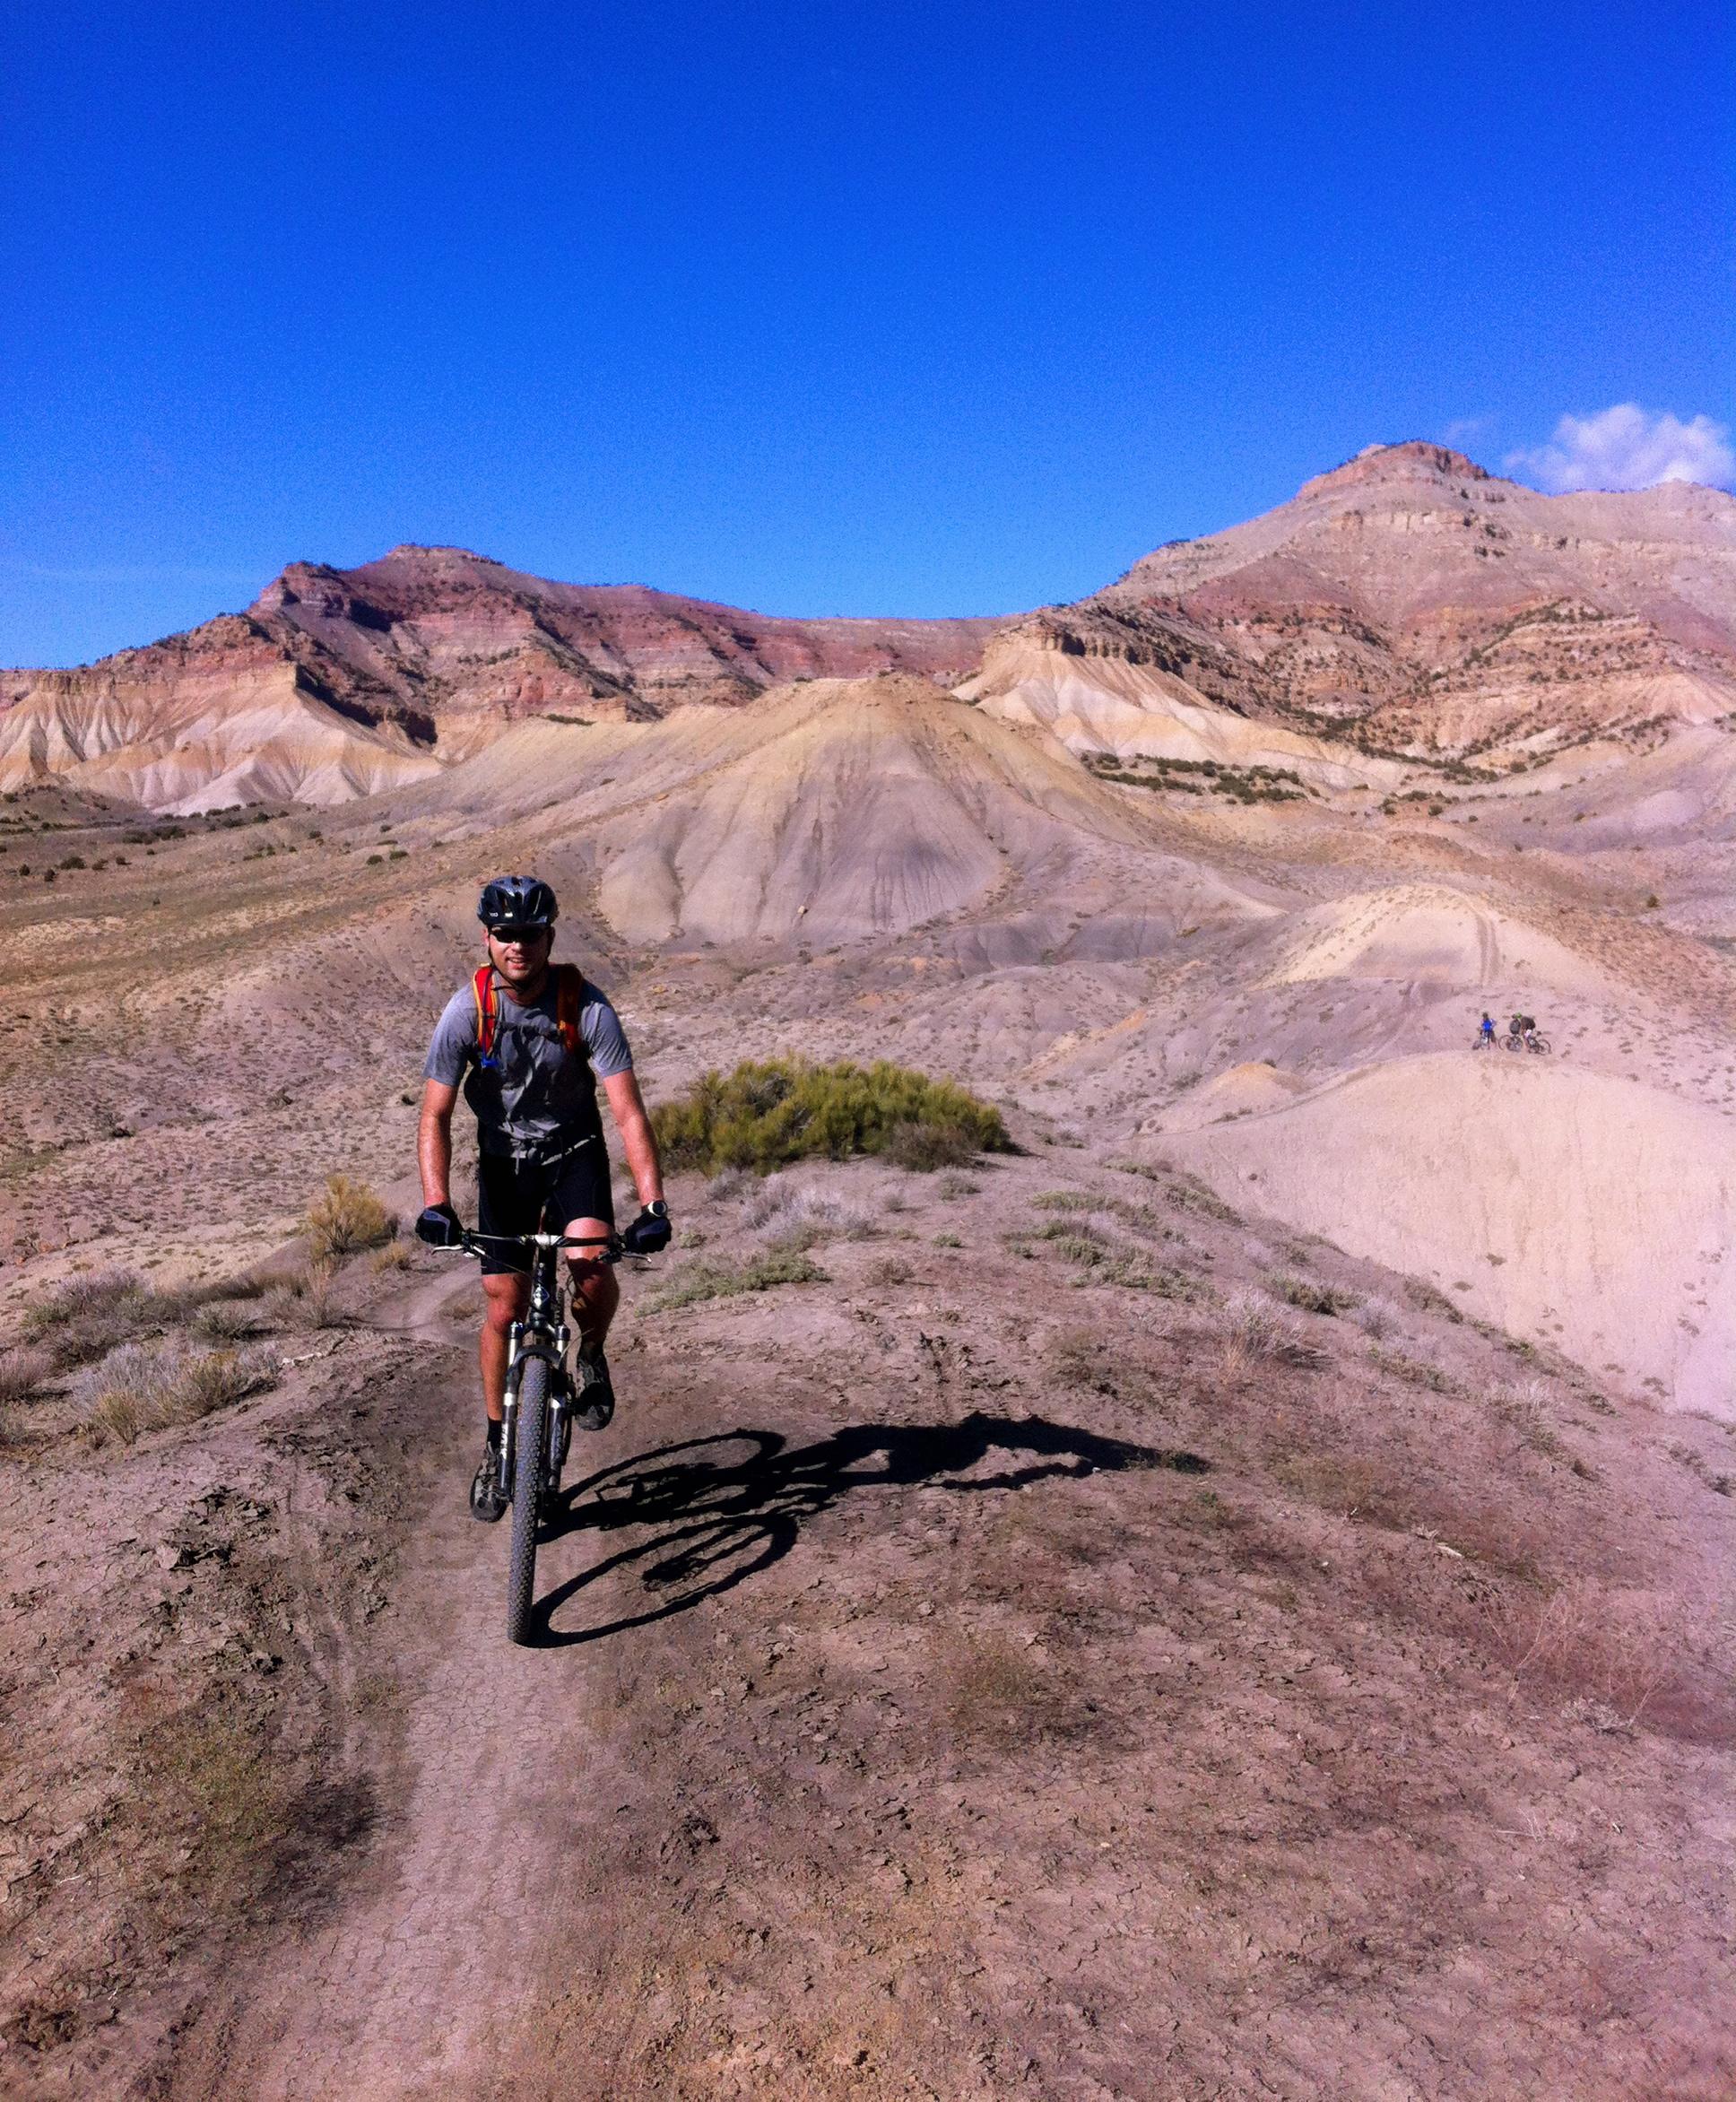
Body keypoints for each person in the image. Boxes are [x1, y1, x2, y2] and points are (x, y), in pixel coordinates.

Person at [414, 875, 672, 1521]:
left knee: (590, 1264)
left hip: (572, 1155)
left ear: (550, 936)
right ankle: (498, 1439)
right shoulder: (467, 1011)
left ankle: (591, 1350)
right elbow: (435, 1115)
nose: (517, 946)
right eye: (505, 935)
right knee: (502, 1309)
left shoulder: (585, 1007)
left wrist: (653, 1206)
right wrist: (437, 1202)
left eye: (530, 934)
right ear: (488, 939)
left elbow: (629, 1113)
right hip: (504, 1166)